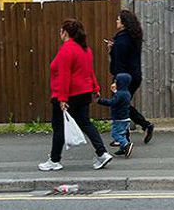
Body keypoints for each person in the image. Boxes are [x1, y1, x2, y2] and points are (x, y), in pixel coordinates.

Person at [39, 19, 113, 171]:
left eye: (61, 31)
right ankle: (102, 153)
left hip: (68, 94)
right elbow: (89, 71)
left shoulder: (66, 49)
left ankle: (54, 160)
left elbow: (64, 76)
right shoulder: (85, 49)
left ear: (65, 32)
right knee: (86, 123)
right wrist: (95, 87)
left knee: (58, 126)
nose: (60, 34)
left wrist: (62, 99)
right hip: (84, 92)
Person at [107, 10, 154, 144]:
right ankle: (143, 126)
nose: (116, 21)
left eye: (118, 19)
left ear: (123, 23)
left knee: (120, 105)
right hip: (134, 76)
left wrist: (116, 81)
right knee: (123, 105)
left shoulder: (121, 40)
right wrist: (112, 49)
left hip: (124, 77)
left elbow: (120, 63)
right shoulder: (133, 37)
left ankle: (125, 136)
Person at [97, 73, 135, 158]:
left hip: (119, 118)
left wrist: (100, 101)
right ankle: (123, 148)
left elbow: (112, 102)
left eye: (116, 81)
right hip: (125, 117)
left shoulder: (120, 94)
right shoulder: (126, 93)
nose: (115, 83)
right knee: (122, 134)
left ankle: (126, 144)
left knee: (115, 134)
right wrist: (115, 92)